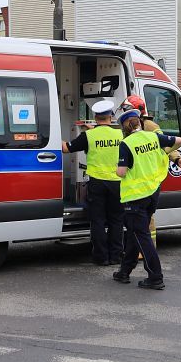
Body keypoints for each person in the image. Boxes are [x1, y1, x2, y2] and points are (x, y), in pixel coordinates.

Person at [112, 108, 181, 290]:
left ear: (126, 126)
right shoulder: (154, 137)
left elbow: (121, 172)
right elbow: (180, 141)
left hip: (135, 197)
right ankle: (124, 271)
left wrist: (115, 169)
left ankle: (155, 276)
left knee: (141, 235)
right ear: (139, 122)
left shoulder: (126, 144)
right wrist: (165, 152)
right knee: (136, 233)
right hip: (153, 193)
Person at [118, 95, 181, 252]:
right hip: (138, 175)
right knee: (140, 219)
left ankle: (147, 249)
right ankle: (140, 249)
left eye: (127, 109)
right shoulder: (130, 125)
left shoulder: (149, 126)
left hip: (149, 175)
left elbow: (164, 144)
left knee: (146, 219)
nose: (125, 112)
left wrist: (175, 158)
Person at [63, 100, 124, 265]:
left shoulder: (88, 135)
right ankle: (116, 256)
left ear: (96, 118)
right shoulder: (121, 135)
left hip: (97, 183)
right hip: (117, 183)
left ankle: (101, 257)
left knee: (97, 220)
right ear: (111, 117)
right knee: (116, 220)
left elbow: (66, 148)